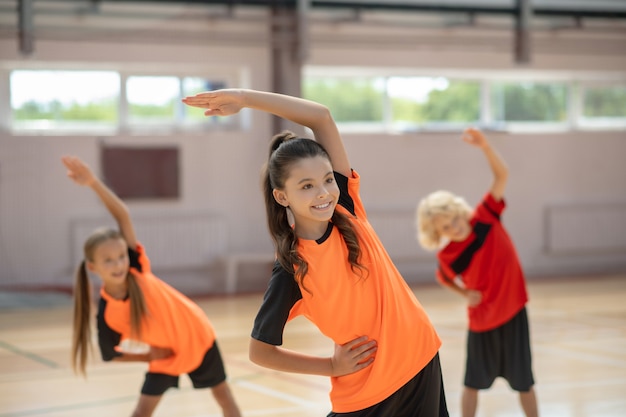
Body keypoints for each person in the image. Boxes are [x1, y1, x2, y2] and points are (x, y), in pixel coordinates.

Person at [182, 89, 448, 417]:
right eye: (306, 186)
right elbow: (261, 351)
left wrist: (245, 98)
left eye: (327, 180)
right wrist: (331, 365)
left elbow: (320, 117)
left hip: (420, 361)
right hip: (367, 392)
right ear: (282, 197)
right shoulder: (293, 267)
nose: (323, 193)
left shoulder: (348, 210)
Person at [62, 156, 242, 417]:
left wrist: (93, 183)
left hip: (196, 336)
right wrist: (148, 355)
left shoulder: (136, 269)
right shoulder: (107, 314)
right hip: (164, 355)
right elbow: (111, 354)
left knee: (223, 396)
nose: (118, 264)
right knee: (142, 412)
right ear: (93, 267)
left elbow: (122, 214)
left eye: (121, 256)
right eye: (108, 260)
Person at [416, 128, 539, 417]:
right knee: (472, 384)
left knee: (525, 383)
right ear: (438, 232)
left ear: (460, 211)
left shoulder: (486, 215)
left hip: (514, 312)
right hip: (482, 321)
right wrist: (463, 293)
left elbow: (502, 176)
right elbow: (443, 278)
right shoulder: (447, 256)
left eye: (455, 219)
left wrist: (485, 146)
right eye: (446, 227)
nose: (455, 227)